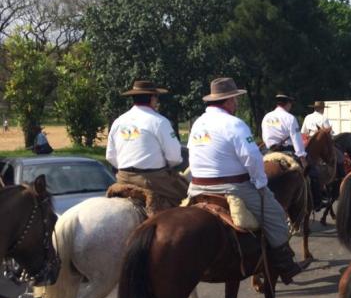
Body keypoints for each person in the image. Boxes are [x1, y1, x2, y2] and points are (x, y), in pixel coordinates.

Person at [187, 78, 306, 284]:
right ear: (227, 101)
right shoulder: (234, 123)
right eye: (235, 99)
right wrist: (260, 183)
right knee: (276, 214)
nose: (237, 104)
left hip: (197, 187)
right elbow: (251, 157)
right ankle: (284, 263)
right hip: (232, 186)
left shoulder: (198, 123)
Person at [106, 80, 187, 208]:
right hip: (152, 180)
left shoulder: (118, 121)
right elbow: (174, 158)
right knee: (188, 196)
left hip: (123, 178)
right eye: (156, 97)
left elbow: (110, 156)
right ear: (152, 98)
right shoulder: (159, 122)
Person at [262, 94, 324, 210]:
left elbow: (265, 136)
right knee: (313, 173)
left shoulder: (267, 117)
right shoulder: (290, 118)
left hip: (269, 150)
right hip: (287, 150)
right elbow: (296, 139)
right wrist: (302, 157)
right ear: (288, 104)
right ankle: (316, 202)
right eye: (290, 104)